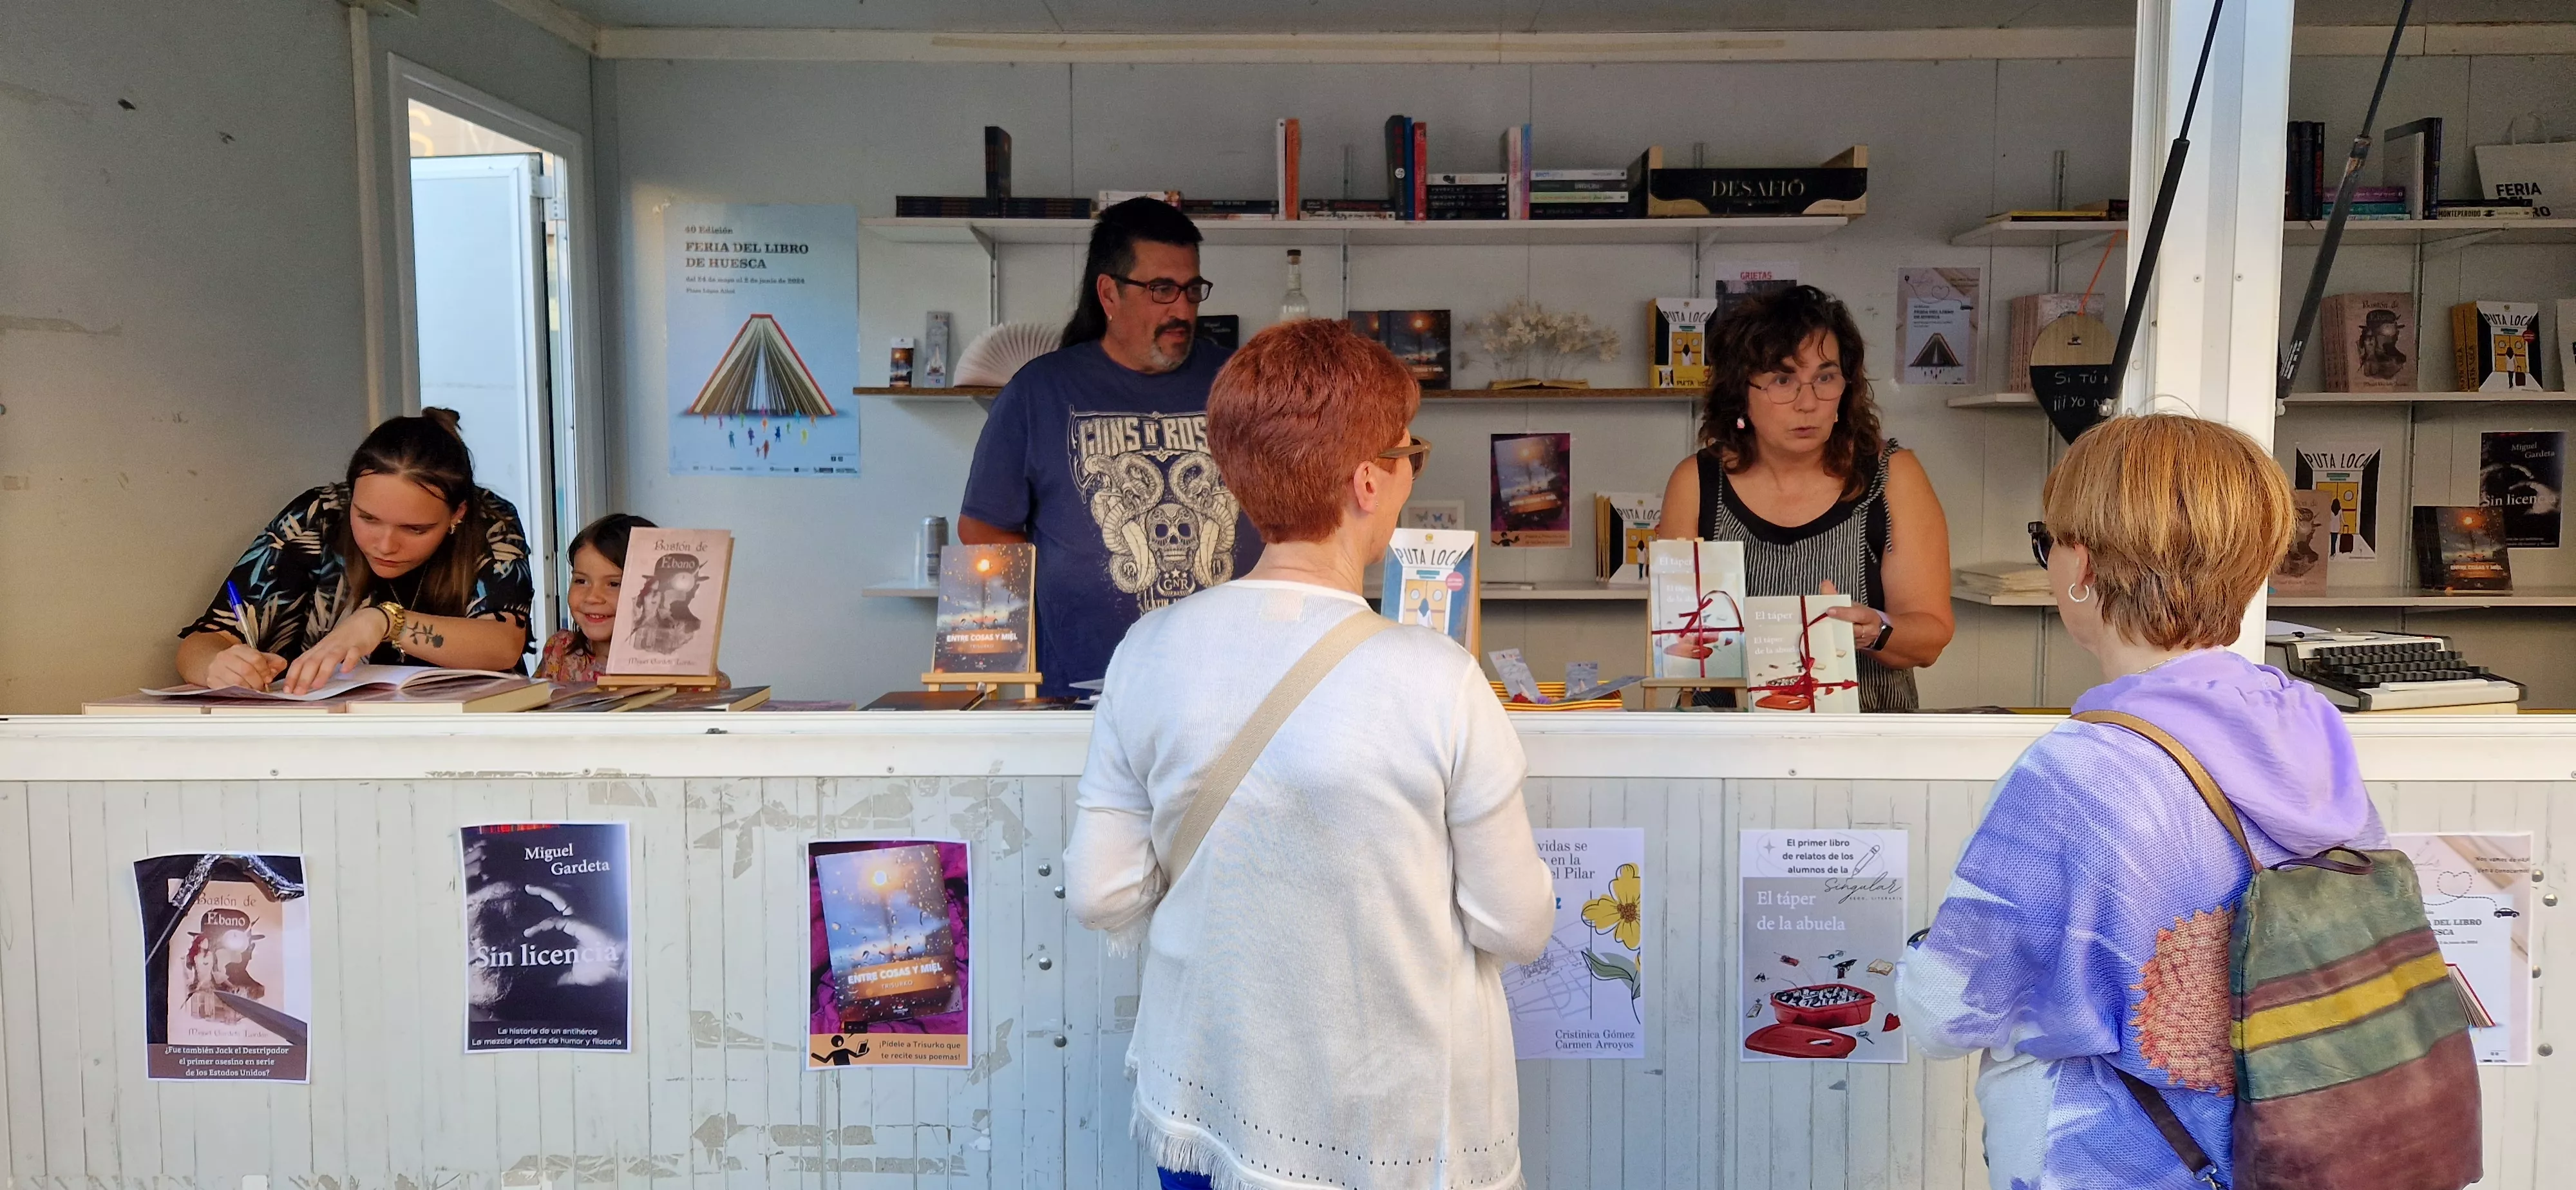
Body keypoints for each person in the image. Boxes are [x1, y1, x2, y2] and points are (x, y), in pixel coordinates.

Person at [1066, 320, 1552, 1190]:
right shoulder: (1436, 678)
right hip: (1396, 1129)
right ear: (1371, 481)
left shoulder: (1148, 650)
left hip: (1210, 1103)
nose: (1409, 475)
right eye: (1411, 455)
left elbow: (1101, 893)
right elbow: (1515, 925)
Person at [1897, 415, 2389, 1190]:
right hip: (2304, 1150)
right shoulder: (2304, 726)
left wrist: (1922, 954)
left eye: (2048, 540)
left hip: (2116, 1160)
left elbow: (1947, 1011)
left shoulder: (2080, 771)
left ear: (2082, 568)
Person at [957, 196, 1262, 697]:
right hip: (1088, 688)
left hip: (1234, 683)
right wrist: (1068, 598)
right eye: (1162, 290)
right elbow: (983, 528)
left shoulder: (1241, 383)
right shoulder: (1040, 391)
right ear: (1109, 292)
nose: (1182, 309)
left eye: (1191, 290)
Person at [1655, 285, 1953, 710]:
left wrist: (1874, 630)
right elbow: (1681, 645)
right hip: (1725, 742)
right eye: (1782, 380)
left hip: (1863, 741)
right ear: (1741, 392)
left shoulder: (1892, 475)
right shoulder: (1698, 482)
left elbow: (1930, 638)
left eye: (1825, 378)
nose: (1808, 402)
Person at [176, 408, 533, 694]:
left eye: (415, 529)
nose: (386, 545)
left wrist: (385, 621)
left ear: (458, 514)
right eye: (368, 518)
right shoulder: (317, 518)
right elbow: (204, 641)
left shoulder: (491, 522)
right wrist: (217, 666)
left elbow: (503, 645)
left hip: (465, 741)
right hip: (322, 743)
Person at [535, 513, 656, 685]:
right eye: (581, 581)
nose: (592, 598)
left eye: (614, 584)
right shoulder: (560, 652)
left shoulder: (679, 665)